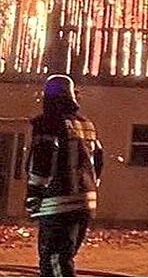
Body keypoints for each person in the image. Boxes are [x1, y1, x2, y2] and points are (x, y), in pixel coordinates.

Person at [25, 74, 104, 277]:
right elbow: (98, 159)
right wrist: (90, 186)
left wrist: (34, 196)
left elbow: (42, 162)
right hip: (85, 203)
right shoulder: (87, 125)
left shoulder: (48, 124)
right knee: (64, 257)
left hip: (58, 204)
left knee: (54, 259)